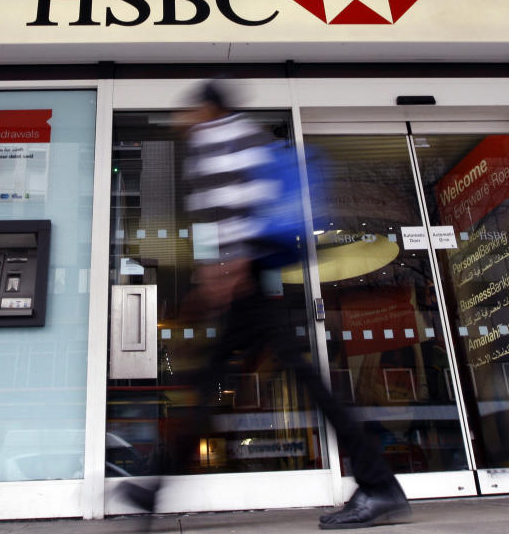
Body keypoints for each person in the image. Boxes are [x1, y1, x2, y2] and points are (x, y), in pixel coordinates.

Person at [121, 80, 411, 529]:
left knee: (295, 381)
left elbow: (239, 205)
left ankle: (380, 486)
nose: (181, 119)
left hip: (247, 279)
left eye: (188, 110)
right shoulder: (235, 135)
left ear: (208, 108)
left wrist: (228, 269)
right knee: (215, 380)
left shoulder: (221, 136)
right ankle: (153, 492)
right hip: (247, 277)